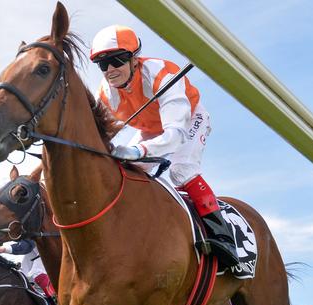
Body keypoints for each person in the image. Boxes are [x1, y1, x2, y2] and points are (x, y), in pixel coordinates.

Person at [89, 24, 238, 267]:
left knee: (182, 169)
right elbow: (96, 136)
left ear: (134, 60)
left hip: (187, 120)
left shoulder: (161, 74)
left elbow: (175, 134)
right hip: (150, 129)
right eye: (103, 64)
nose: (110, 70)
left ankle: (222, 237)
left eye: (116, 60)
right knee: (123, 172)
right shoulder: (105, 94)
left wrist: (139, 151)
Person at [0, 239, 57, 305]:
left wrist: (1, 249)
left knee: (37, 273)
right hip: (36, 246)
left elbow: (27, 246)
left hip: (50, 244)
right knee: (21, 274)